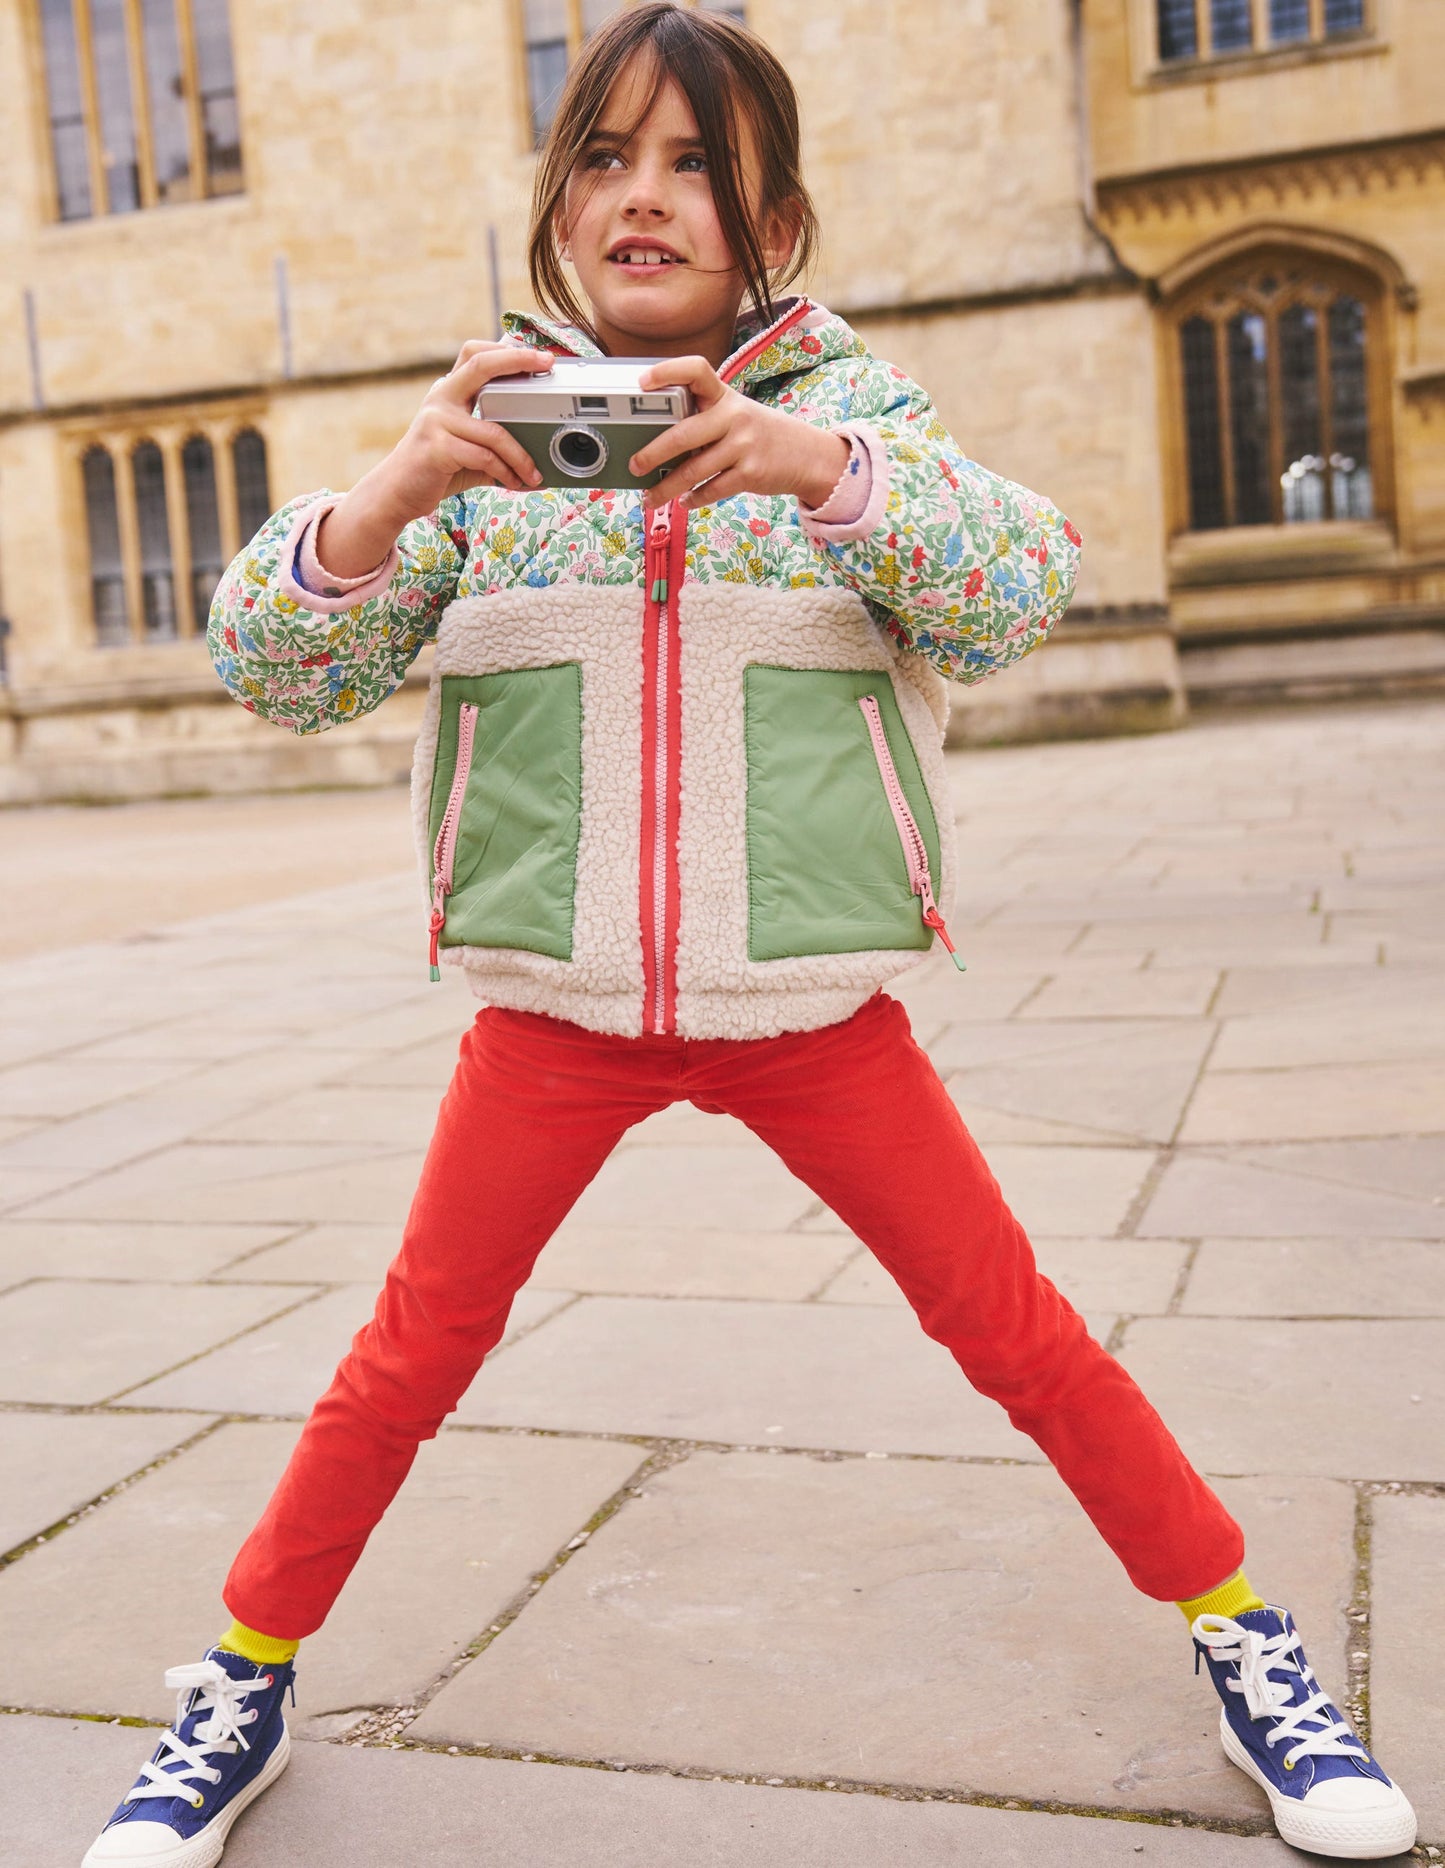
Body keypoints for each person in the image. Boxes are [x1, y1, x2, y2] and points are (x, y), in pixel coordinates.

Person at [84, 7, 1414, 1864]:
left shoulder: (853, 420)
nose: (644, 195)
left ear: (770, 219)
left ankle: (1241, 1635)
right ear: (560, 206)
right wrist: (385, 498)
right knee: (409, 1353)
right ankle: (244, 1676)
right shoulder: (489, 452)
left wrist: (815, 468)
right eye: (605, 158)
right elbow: (278, 674)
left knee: (1015, 1331)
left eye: (694, 164)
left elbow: (1020, 589)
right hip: (553, 1016)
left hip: (804, 1006)